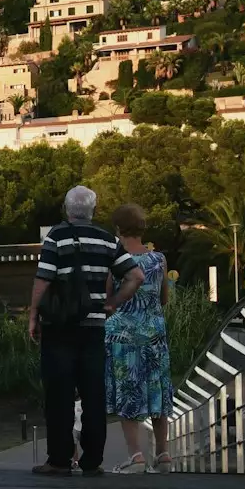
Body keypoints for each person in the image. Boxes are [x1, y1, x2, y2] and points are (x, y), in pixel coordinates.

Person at [27, 186, 142, 476]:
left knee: (59, 394)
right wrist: (113, 303)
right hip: (93, 328)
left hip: (59, 326)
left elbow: (43, 278)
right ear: (93, 210)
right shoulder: (107, 240)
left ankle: (59, 460)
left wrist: (33, 315)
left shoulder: (56, 236)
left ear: (67, 209)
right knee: (93, 393)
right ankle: (92, 461)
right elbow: (135, 276)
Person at [103, 203, 174, 473]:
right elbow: (164, 298)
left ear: (118, 229)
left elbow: (108, 298)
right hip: (154, 331)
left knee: (128, 388)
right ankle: (164, 453)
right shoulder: (159, 259)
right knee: (157, 387)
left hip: (123, 333)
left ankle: (136, 455)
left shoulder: (116, 260)